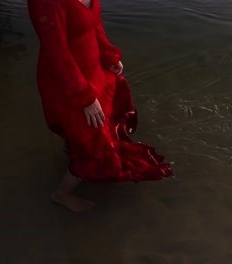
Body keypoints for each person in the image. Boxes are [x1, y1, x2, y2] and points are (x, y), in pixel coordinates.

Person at [27, 0, 172, 212]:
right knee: (94, 140)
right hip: (65, 82)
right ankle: (62, 194)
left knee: (94, 128)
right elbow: (55, 51)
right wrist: (84, 97)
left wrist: (108, 55)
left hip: (92, 72)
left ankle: (73, 151)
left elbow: (95, 24)